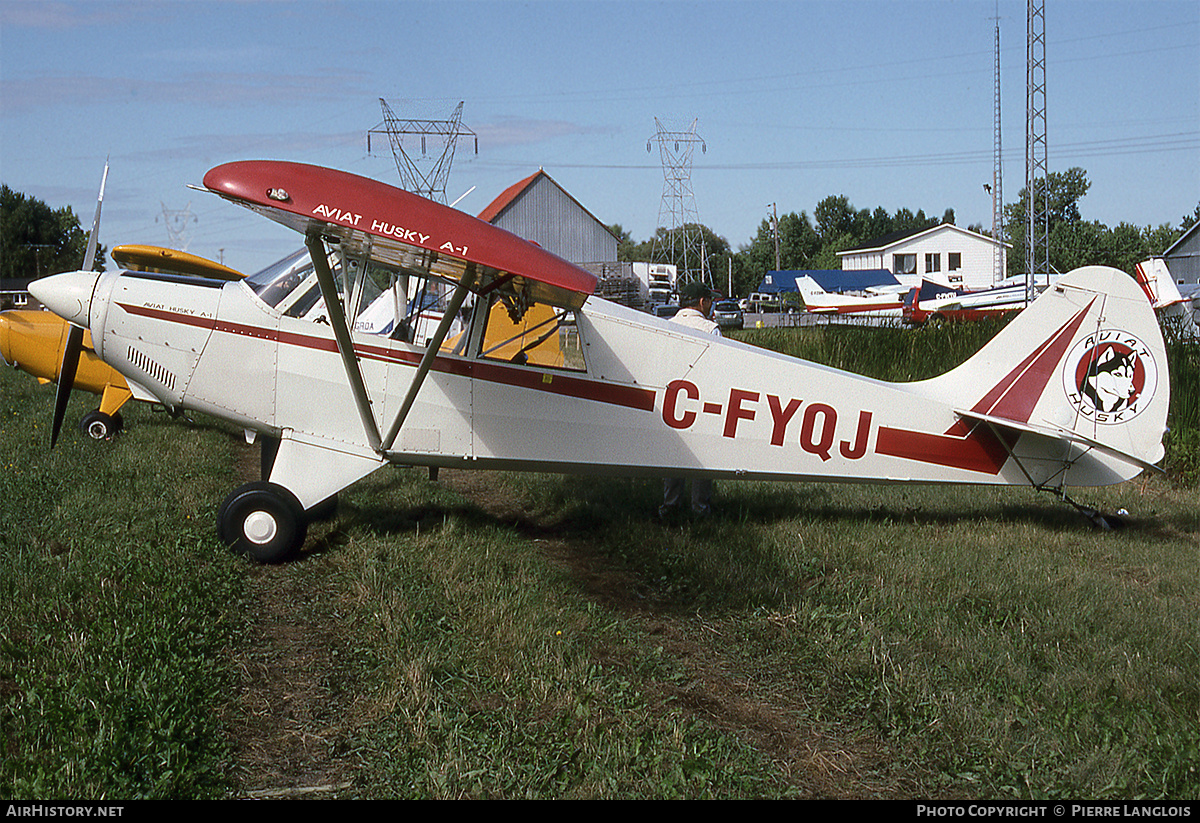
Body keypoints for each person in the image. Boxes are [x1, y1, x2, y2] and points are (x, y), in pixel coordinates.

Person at [659, 281, 721, 519]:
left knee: (673, 452)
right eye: (710, 301)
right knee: (702, 455)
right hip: (701, 400)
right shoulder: (710, 329)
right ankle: (700, 508)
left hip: (671, 399)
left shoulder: (666, 325)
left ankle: (670, 505)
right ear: (703, 302)